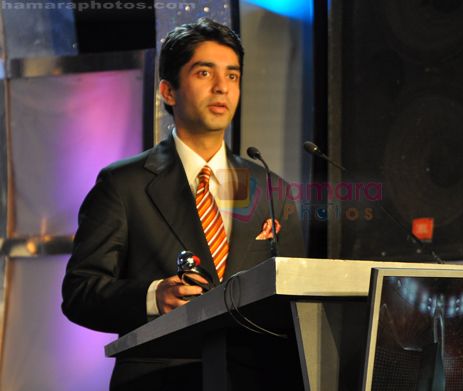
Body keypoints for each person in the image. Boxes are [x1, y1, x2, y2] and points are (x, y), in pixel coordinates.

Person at [62, 18, 305, 390]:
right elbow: (80, 292)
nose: (222, 87)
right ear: (168, 91)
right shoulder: (123, 183)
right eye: (204, 73)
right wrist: (151, 296)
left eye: (233, 75)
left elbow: (293, 298)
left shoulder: (271, 188)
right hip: (160, 378)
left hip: (256, 378)